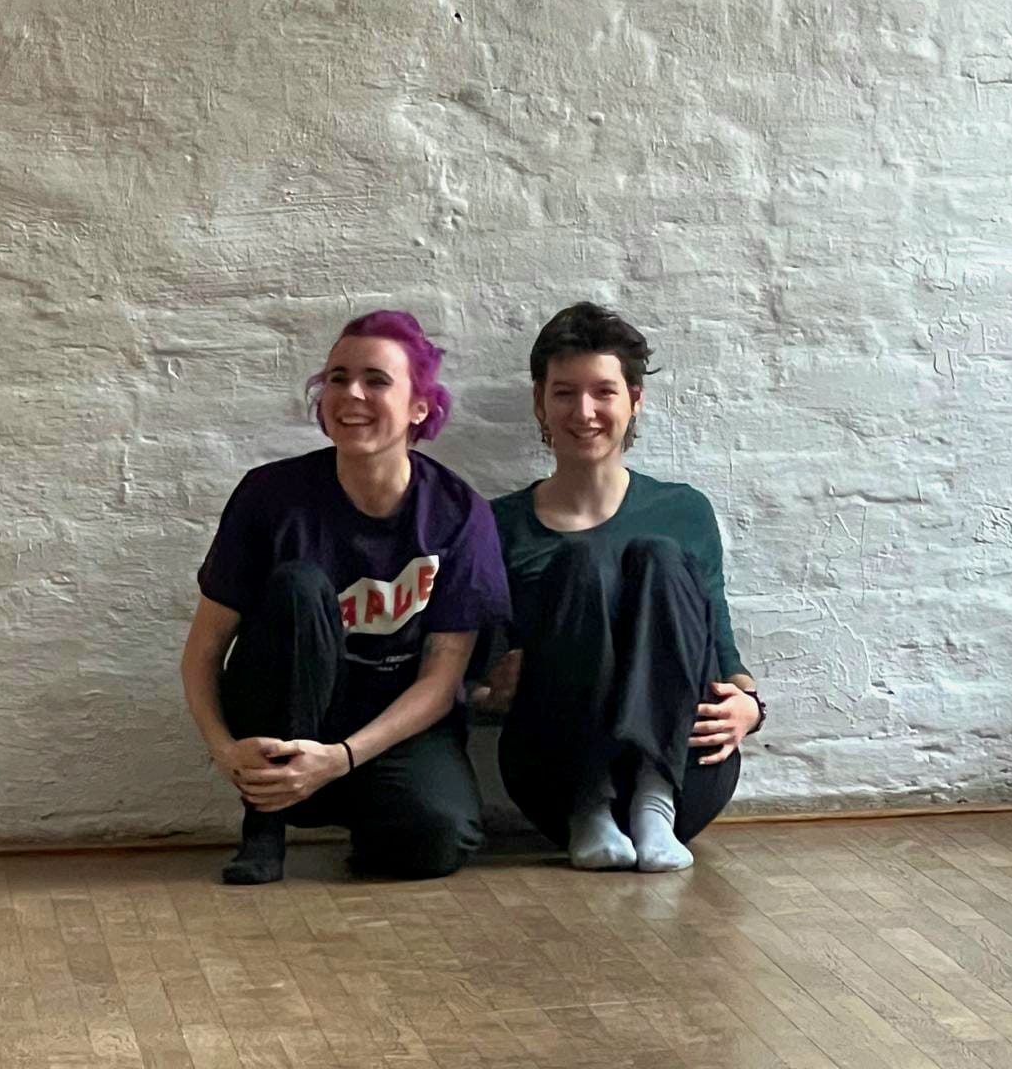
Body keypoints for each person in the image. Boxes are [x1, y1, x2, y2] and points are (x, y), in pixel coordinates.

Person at [181, 310, 511, 885]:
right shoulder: (269, 496)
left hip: (393, 727)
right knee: (299, 585)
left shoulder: (458, 514)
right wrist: (224, 751)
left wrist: (341, 759)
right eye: (338, 378)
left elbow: (441, 681)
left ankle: (362, 813)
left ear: (419, 407)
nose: (351, 393)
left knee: (440, 838)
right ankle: (265, 825)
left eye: (376, 380)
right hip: (286, 719)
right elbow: (203, 652)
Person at [478, 302, 763, 873]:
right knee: (581, 559)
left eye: (603, 392)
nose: (583, 411)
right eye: (564, 393)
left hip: (685, 772)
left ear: (634, 399)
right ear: (540, 402)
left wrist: (750, 708)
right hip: (557, 778)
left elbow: (721, 647)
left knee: (658, 555)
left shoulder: (683, 511)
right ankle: (592, 803)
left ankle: (652, 799)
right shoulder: (497, 524)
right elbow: (478, 676)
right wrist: (492, 690)